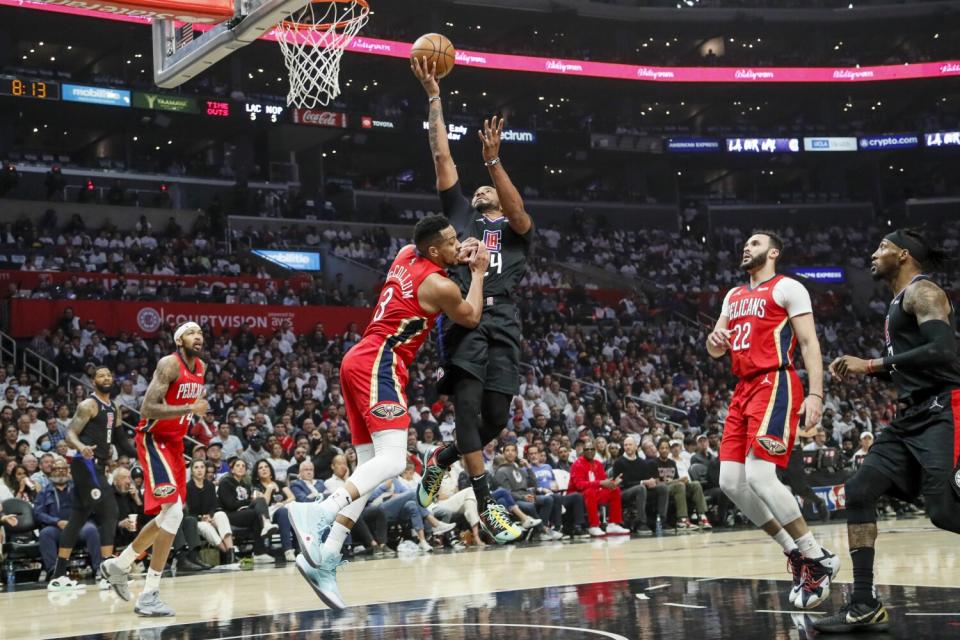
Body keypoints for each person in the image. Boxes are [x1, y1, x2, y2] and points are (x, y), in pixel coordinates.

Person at [288, 214, 491, 610]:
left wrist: (457, 256)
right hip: (381, 362)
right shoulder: (439, 284)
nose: (457, 244)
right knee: (396, 460)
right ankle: (318, 513)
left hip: (356, 359)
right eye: (451, 242)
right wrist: (478, 272)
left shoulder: (404, 255)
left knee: (369, 469)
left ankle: (325, 556)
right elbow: (470, 315)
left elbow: (423, 252)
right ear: (434, 250)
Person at [411, 57, 534, 548]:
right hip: (464, 314)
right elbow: (442, 157)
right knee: (465, 408)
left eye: (491, 188)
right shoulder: (460, 213)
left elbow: (520, 209)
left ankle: (442, 458)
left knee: (496, 419)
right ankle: (488, 509)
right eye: (482, 185)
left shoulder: (516, 230)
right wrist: (434, 97)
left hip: (504, 319)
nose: (482, 189)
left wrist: (493, 160)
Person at [815, 229, 960, 633]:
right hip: (910, 415)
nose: (873, 253)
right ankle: (863, 603)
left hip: (944, 409)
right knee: (859, 490)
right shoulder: (897, 303)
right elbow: (915, 369)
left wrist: (873, 364)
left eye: (881, 247)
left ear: (904, 255)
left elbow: (944, 351)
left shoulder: (923, 291)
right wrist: (873, 373)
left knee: (944, 511)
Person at [706, 230, 838, 609]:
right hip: (742, 387)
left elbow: (810, 343)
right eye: (745, 244)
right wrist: (714, 342)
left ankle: (816, 557)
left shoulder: (788, 288)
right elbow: (716, 347)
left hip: (775, 380)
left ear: (774, 252)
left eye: (756, 243)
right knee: (730, 481)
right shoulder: (733, 295)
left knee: (760, 475)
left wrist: (815, 393)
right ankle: (795, 552)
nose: (747, 247)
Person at [99, 323, 210, 616]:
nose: (197, 336)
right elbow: (147, 408)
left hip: (174, 445)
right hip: (152, 439)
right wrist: (189, 411)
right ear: (179, 340)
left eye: (200, 333)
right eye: (191, 332)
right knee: (173, 513)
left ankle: (119, 566)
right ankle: (148, 593)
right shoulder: (169, 364)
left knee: (169, 515)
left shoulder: (202, 368)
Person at [51, 367, 137, 591]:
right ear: (93, 381)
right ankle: (108, 572)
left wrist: (142, 454)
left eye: (109, 375)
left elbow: (121, 440)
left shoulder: (114, 407)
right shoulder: (88, 405)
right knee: (110, 511)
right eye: (101, 376)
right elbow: (70, 433)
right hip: (85, 464)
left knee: (78, 518)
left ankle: (58, 576)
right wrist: (81, 447)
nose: (106, 378)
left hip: (98, 466)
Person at [217, 458, 279, 564]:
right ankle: (266, 525)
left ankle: (260, 552)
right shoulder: (226, 483)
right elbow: (230, 504)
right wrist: (249, 501)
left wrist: (251, 500)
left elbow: (248, 502)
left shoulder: (245, 485)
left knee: (258, 505)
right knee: (255, 511)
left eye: (243, 466)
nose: (241, 468)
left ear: (246, 471)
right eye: (238, 465)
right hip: (230, 515)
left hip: (244, 513)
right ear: (232, 470)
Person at [568, 439, 630, 537]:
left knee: (615, 490)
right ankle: (594, 526)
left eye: (592, 449)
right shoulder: (577, 464)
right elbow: (579, 485)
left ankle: (613, 524)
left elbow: (604, 483)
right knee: (590, 491)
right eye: (587, 449)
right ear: (583, 451)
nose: (590, 451)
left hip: (595, 493)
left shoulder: (598, 464)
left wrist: (613, 483)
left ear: (595, 451)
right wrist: (600, 483)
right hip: (578, 495)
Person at [185, 459, 234, 563]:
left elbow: (214, 505)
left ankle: (231, 551)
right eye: (196, 467)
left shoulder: (210, 485)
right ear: (192, 471)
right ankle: (227, 553)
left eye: (202, 467)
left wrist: (210, 516)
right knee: (205, 527)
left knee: (221, 514)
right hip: (195, 521)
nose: (199, 470)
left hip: (209, 517)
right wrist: (201, 518)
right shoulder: (187, 487)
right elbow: (187, 512)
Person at [252, 459, 296, 562]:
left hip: (281, 512)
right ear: (257, 473)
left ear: (271, 470)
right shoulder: (256, 487)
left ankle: (291, 550)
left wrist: (282, 503)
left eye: (266, 467)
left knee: (283, 511)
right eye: (260, 468)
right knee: (283, 512)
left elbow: (292, 497)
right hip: (265, 515)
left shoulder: (280, 483)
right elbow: (263, 502)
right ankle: (288, 549)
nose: (264, 469)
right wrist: (268, 489)